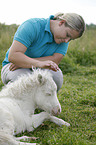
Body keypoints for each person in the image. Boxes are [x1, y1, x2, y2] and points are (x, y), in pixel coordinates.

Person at [1, 12, 85, 91]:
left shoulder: (63, 39)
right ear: (61, 22)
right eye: (67, 35)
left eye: (71, 39)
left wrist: (28, 63)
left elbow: (55, 60)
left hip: (33, 66)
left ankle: (44, 104)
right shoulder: (32, 26)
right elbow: (14, 56)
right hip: (12, 67)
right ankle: (11, 102)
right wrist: (37, 63)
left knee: (56, 77)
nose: (67, 41)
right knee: (24, 79)